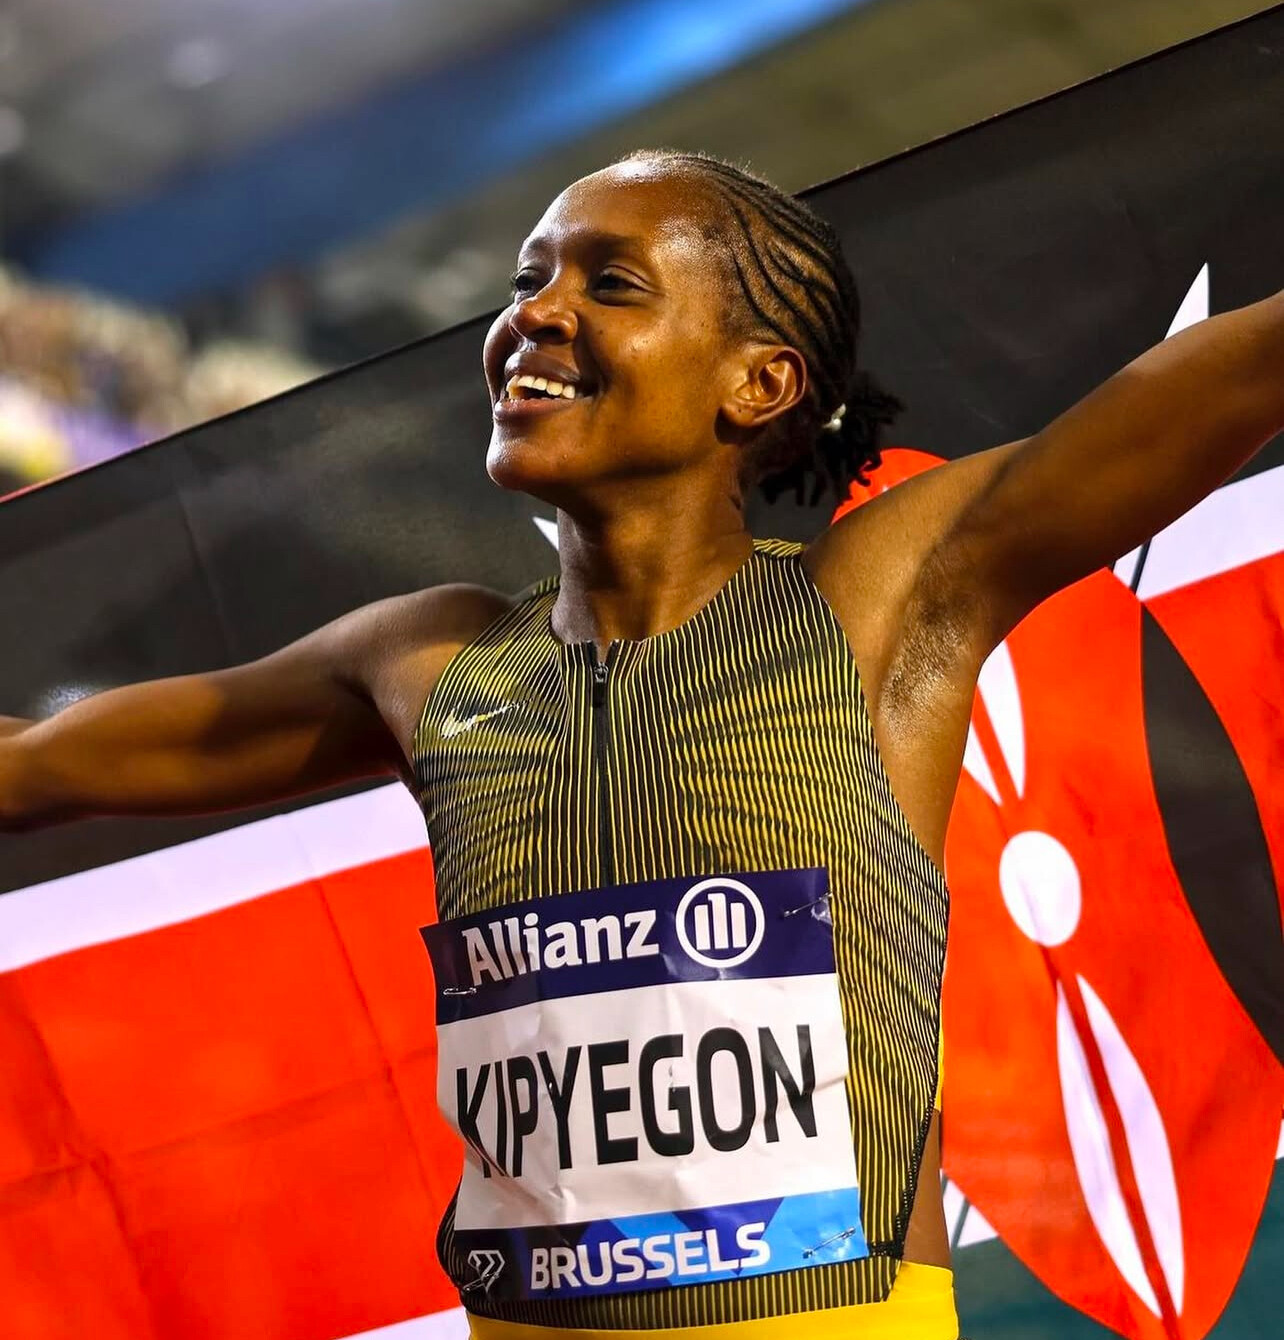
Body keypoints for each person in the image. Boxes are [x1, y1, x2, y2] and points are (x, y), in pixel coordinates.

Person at [1, 149, 1281, 1340]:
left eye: (610, 284)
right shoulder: (426, 663)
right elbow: (31, 769)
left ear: (759, 382)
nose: (537, 314)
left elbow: (1234, 373)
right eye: (529, 280)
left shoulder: (879, 601)